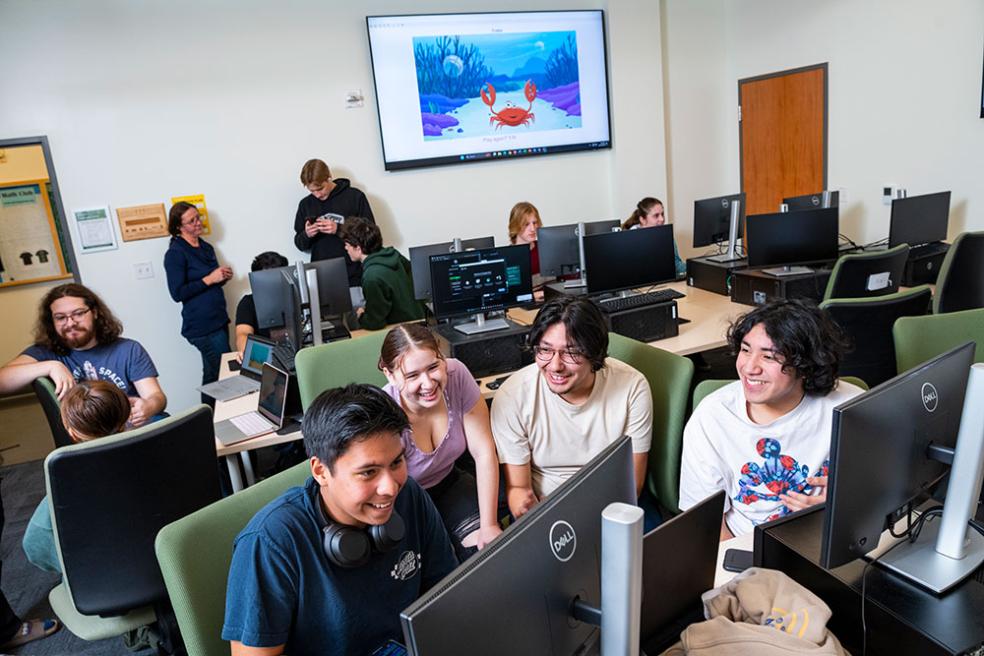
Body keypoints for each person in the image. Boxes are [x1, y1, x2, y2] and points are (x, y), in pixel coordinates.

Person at [222, 384, 457, 656]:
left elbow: (447, 595)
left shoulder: (409, 496)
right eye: (368, 472)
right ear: (321, 471)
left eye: (396, 462)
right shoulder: (271, 542)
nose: (390, 488)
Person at [678, 299, 862, 540]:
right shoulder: (712, 418)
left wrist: (845, 505)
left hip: (832, 538)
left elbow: (884, 487)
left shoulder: (850, 407)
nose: (749, 368)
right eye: (745, 350)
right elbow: (706, 527)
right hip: (746, 546)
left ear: (804, 365)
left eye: (768, 356)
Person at [491, 296, 653, 518]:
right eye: (545, 350)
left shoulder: (633, 387)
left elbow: (633, 484)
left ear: (594, 352)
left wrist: (581, 513)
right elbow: (519, 488)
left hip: (614, 503)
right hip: (547, 508)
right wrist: (528, 511)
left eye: (571, 352)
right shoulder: (512, 396)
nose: (555, 366)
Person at [379, 324, 502, 560]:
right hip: (403, 501)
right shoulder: (383, 413)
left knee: (483, 555)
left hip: (449, 482)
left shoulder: (457, 375)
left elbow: (484, 452)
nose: (428, 383)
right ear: (390, 375)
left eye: (433, 367)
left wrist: (489, 526)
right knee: (425, 567)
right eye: (412, 376)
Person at [0, 283, 166, 426]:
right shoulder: (44, 353)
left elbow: (156, 396)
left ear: (95, 312)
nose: (70, 323)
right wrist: (51, 366)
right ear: (52, 321)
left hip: (135, 426)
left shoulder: (128, 349)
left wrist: (149, 407)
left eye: (78, 313)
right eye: (60, 317)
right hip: (91, 436)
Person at [23, 380, 130, 573]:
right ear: (126, 415)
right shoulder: (161, 455)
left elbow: (35, 546)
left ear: (71, 431)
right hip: (170, 567)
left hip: (102, 580)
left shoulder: (66, 485)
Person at [163, 201, 231, 405]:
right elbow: (177, 293)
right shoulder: (175, 253)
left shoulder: (206, 247)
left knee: (212, 375)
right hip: (202, 326)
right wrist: (210, 279)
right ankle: (224, 415)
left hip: (218, 318)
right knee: (226, 373)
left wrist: (222, 277)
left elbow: (212, 280)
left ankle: (207, 416)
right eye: (191, 221)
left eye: (198, 217)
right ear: (179, 227)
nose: (198, 223)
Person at [293, 159, 375, 287]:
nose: (317, 195)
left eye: (320, 189)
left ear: (329, 177)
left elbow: (371, 234)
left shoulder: (355, 197)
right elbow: (299, 243)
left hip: (355, 274)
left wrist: (339, 229)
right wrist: (307, 235)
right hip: (321, 278)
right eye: (312, 191)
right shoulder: (305, 204)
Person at [340, 217, 423, 330]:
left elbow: (375, 322)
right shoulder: (394, 255)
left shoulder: (372, 277)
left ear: (358, 248)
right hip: (419, 321)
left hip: (402, 331)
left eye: (347, 245)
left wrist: (361, 315)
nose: (345, 248)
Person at [234, 251, 289, 356]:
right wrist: (247, 350)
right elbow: (242, 334)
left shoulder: (295, 296)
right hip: (265, 355)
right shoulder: (248, 302)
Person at [622, 197, 686, 278]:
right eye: (656, 215)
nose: (662, 219)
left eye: (662, 214)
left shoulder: (666, 236)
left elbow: (677, 265)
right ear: (642, 220)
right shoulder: (629, 240)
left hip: (664, 281)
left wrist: (695, 265)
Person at [508, 201, 542, 276]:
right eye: (526, 224)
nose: (533, 229)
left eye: (534, 223)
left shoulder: (545, 248)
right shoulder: (508, 256)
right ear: (515, 225)